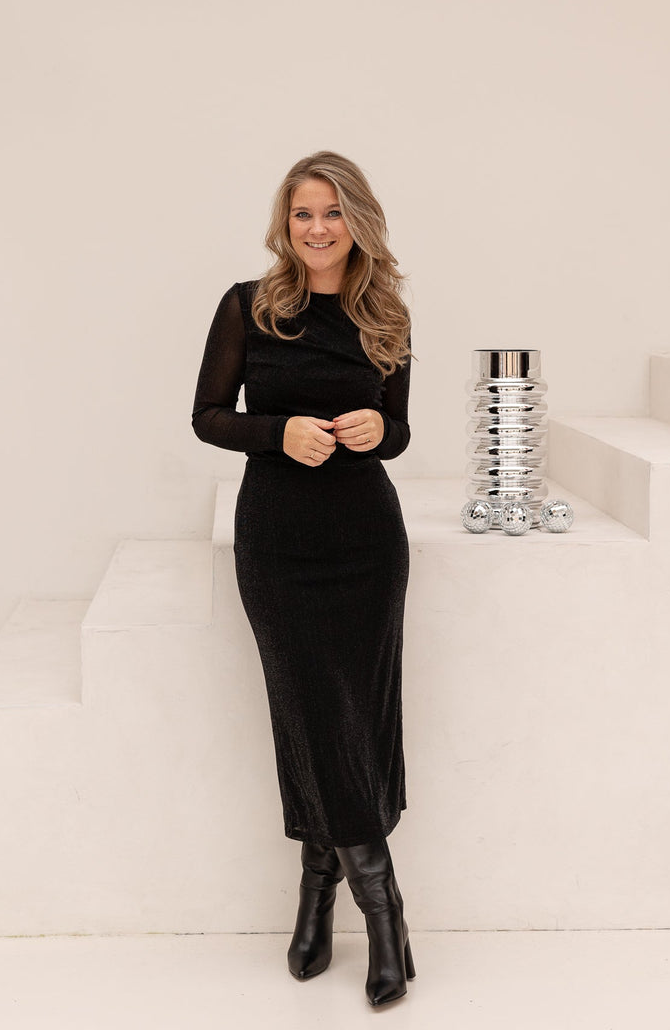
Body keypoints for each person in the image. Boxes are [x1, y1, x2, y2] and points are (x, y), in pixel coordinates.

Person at [192, 150, 415, 1007]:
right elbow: (209, 416)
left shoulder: (384, 313)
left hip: (367, 543)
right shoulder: (249, 306)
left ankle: (319, 894)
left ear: (358, 220)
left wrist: (377, 430)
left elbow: (398, 431)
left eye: (331, 212)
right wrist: (277, 432)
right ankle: (383, 909)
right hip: (279, 542)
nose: (317, 228)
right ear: (285, 224)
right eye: (302, 214)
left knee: (352, 717)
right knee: (310, 711)